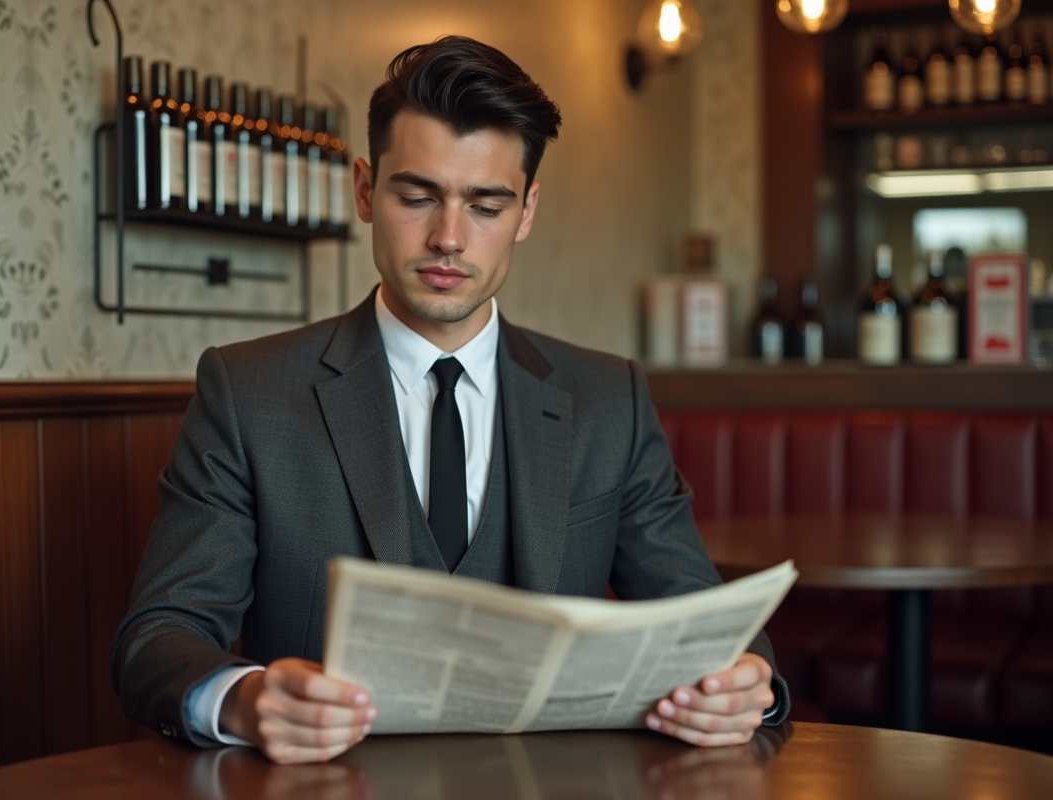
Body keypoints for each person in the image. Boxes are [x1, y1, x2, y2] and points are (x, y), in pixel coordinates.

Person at [113, 35, 788, 766]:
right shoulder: (248, 393)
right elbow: (159, 635)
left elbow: (706, 618)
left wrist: (747, 681)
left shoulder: (608, 400)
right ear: (366, 191)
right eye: (418, 195)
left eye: (486, 204)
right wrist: (243, 700)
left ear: (527, 211)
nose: (449, 238)